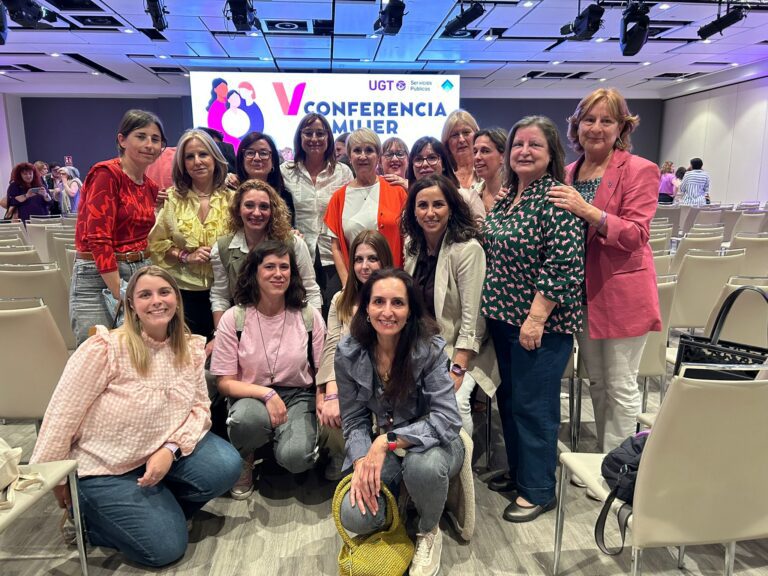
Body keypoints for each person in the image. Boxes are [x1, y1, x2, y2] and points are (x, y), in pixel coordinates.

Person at [30, 266, 241, 568]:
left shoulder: (189, 348)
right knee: (166, 548)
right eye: (145, 295)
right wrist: (57, 480)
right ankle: (92, 521)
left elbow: (199, 409)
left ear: (177, 299)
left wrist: (170, 449)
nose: (157, 301)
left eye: (164, 292)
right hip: (105, 468)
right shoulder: (105, 349)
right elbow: (62, 414)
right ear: (131, 304)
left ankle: (153, 511)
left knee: (225, 465)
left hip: (158, 454)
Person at [547, 87, 661, 453]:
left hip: (621, 294)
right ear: (576, 126)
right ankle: (604, 456)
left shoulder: (640, 170)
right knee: (596, 381)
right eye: (589, 120)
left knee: (621, 384)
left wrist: (589, 211)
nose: (596, 128)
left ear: (622, 127)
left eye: (606, 120)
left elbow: (637, 234)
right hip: (581, 295)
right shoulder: (567, 174)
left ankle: (619, 465)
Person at [483, 115, 584, 523]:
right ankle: (521, 473)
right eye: (518, 144)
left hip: (540, 326)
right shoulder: (511, 195)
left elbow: (563, 264)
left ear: (551, 152)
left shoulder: (557, 198)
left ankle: (539, 490)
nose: (524, 151)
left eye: (534, 145)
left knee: (534, 407)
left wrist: (536, 317)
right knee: (510, 401)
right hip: (505, 320)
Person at [336, 268, 463, 576]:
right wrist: (362, 462)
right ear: (366, 308)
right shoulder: (348, 352)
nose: (387, 311)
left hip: (436, 441)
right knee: (354, 514)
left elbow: (447, 419)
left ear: (410, 310)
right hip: (387, 444)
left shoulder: (429, 348)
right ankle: (403, 506)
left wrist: (386, 442)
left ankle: (429, 529)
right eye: (378, 301)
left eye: (398, 303)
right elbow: (353, 419)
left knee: (423, 467)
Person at [210, 240, 326, 499]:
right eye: (270, 267)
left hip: (298, 396)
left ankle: (282, 446)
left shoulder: (308, 315)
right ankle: (245, 456)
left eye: (284, 267)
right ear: (254, 272)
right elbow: (224, 382)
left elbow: (323, 370)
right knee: (245, 421)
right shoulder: (234, 318)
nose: (278, 273)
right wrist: (267, 393)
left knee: (297, 457)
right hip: (250, 395)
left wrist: (323, 399)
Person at [401, 174, 498, 436]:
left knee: (454, 402)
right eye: (422, 205)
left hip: (462, 349)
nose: (430, 213)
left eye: (438, 204)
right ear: (414, 212)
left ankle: (460, 457)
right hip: (422, 346)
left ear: (451, 208)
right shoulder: (412, 246)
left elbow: (473, 319)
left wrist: (457, 368)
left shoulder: (467, 249)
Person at [70, 109, 166, 346]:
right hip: (99, 273)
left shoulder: (150, 186)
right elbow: (98, 238)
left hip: (140, 268)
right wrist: (120, 293)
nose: (149, 145)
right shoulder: (106, 174)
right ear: (122, 140)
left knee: (138, 351)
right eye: (141, 136)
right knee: (97, 351)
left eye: (155, 139)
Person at [316, 230, 394, 479]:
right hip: (350, 384)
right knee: (329, 408)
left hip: (388, 385)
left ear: (384, 260)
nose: (365, 266)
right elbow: (331, 347)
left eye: (372, 258)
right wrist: (330, 393)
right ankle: (343, 453)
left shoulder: (398, 298)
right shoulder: (340, 300)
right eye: (359, 259)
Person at [148, 129, 233, 340]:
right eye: (189, 157)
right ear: (182, 163)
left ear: (215, 158)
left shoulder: (234, 199)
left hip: (227, 294)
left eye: (203, 154)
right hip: (183, 294)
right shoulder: (170, 199)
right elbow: (157, 244)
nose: (197, 162)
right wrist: (186, 256)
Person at [209, 179, 322, 329]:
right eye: (249, 205)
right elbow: (220, 297)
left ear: (272, 211)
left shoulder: (294, 244)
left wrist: (316, 331)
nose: (257, 213)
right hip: (245, 327)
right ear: (238, 209)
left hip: (290, 325)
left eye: (264, 206)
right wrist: (220, 334)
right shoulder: (222, 248)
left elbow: (310, 289)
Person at [281, 113, 353, 314]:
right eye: (308, 133)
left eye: (320, 133)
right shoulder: (285, 171)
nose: (314, 139)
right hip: (298, 254)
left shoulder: (343, 172)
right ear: (300, 136)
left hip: (334, 255)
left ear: (328, 137)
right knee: (302, 314)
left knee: (335, 313)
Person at [325, 128, 407, 285]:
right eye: (357, 150)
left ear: (378, 156)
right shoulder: (338, 198)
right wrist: (347, 286)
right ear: (349, 156)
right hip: (356, 285)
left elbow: (408, 242)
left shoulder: (397, 191)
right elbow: (336, 248)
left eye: (369, 150)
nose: (363, 156)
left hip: (393, 282)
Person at [235, 131, 295, 224]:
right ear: (241, 159)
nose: (257, 158)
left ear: (273, 161)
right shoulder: (231, 192)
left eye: (263, 153)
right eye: (250, 153)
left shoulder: (284, 196)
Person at [471, 127, 508, 219]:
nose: (477, 157)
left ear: (503, 157)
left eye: (485, 151)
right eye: (475, 152)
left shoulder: (515, 194)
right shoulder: (472, 194)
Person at [442, 109, 481, 191]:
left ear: (477, 135)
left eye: (466, 132)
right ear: (447, 142)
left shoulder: (489, 171)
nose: (461, 140)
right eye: (455, 135)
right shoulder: (442, 177)